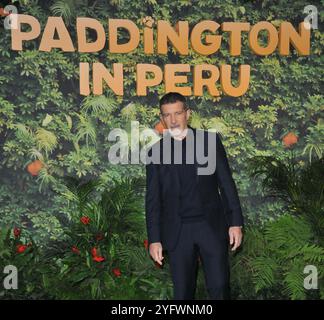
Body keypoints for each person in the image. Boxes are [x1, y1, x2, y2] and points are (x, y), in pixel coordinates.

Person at [145, 92, 244, 300]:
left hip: (210, 227)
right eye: (167, 115)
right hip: (177, 233)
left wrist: (235, 222)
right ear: (161, 118)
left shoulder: (209, 142)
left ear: (187, 114)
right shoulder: (155, 152)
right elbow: (153, 200)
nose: (173, 120)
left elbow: (226, 183)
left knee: (220, 288)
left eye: (178, 113)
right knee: (182, 296)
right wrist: (154, 239)